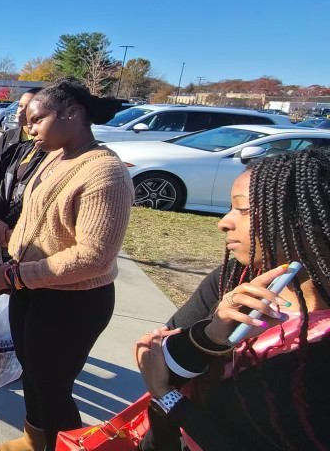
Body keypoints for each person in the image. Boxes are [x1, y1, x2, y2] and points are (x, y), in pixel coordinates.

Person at [136, 148, 330, 451]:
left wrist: (167, 397)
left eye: (243, 210)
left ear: (305, 220)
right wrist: (213, 332)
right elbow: (159, 360)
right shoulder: (236, 278)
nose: (223, 222)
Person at [0, 78, 131, 451]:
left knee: (53, 387)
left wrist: (16, 274)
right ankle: (35, 439)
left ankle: (64, 445)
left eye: (37, 120)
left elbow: (94, 256)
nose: (28, 129)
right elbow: (33, 218)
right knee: (32, 376)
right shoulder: (53, 156)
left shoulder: (104, 172)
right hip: (31, 289)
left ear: (72, 113)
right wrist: (9, 252)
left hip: (72, 302)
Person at [0, 87, 46, 255]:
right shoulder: (9, 137)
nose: (20, 112)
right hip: (1, 226)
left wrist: (12, 229)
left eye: (27, 108)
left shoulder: (47, 147)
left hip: (25, 233)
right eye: (20, 106)